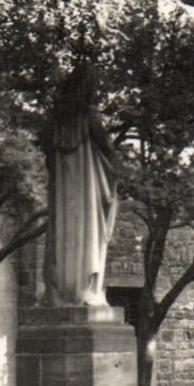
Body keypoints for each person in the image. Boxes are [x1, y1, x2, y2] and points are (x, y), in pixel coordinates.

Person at [40, 63, 118, 307]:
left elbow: (45, 147)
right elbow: (104, 144)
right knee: (89, 233)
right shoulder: (87, 115)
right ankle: (86, 288)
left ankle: (61, 291)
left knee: (63, 234)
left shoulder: (56, 121)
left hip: (64, 189)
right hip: (86, 188)